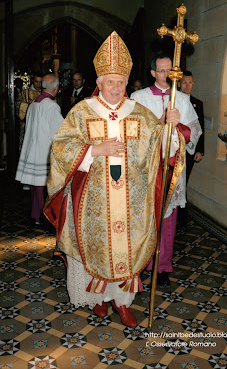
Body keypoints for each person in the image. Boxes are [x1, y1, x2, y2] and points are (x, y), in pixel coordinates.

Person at [44, 31, 185, 328]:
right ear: (99, 83)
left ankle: (122, 303)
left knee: (127, 248)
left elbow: (157, 145)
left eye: (121, 82)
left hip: (131, 199)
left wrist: (168, 126)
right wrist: (95, 149)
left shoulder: (139, 112)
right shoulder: (83, 112)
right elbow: (61, 147)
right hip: (94, 200)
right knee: (96, 248)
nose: (116, 88)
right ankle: (99, 301)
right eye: (111, 82)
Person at [131, 55, 202, 287]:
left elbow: (195, 130)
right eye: (161, 71)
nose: (166, 75)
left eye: (170, 71)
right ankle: (143, 263)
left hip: (172, 167)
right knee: (145, 218)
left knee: (168, 220)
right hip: (147, 168)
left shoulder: (182, 99)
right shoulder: (138, 98)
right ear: (153, 73)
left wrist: (179, 124)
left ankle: (162, 266)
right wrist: (160, 122)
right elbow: (133, 133)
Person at [15, 74, 63, 226]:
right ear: (56, 88)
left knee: (36, 187)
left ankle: (35, 215)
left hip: (33, 149)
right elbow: (60, 131)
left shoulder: (34, 103)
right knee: (46, 187)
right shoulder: (51, 106)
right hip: (45, 151)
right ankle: (45, 217)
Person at [178, 70, 205, 226]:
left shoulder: (197, 103)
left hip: (191, 149)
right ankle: (180, 213)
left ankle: (182, 214)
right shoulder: (173, 100)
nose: (188, 86)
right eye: (185, 82)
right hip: (175, 149)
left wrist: (200, 150)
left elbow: (201, 129)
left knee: (184, 180)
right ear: (180, 84)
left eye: (190, 82)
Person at [16, 73, 43, 152]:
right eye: (36, 82)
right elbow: (18, 105)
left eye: (40, 82)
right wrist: (31, 106)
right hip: (28, 126)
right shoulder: (25, 93)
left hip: (41, 127)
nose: (38, 85)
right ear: (32, 81)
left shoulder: (45, 93)